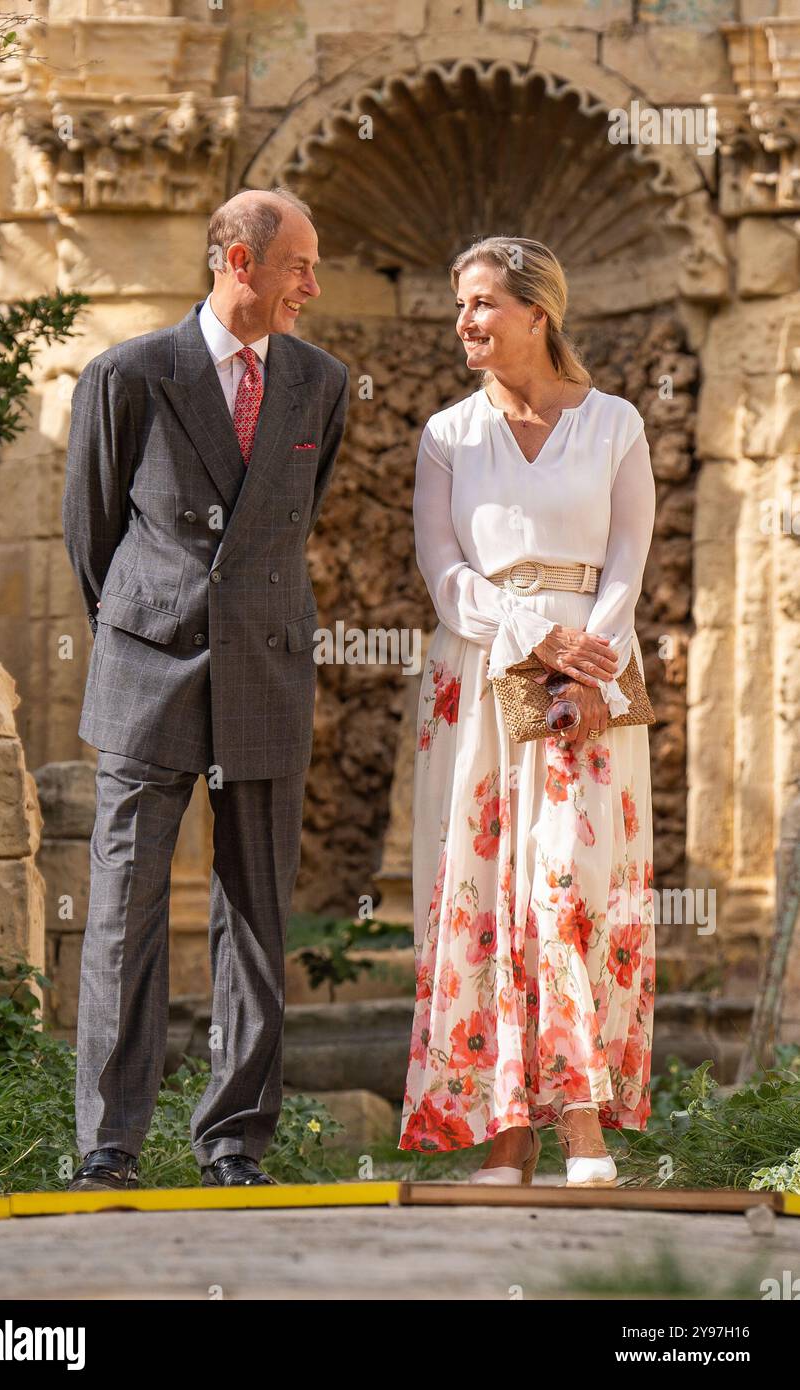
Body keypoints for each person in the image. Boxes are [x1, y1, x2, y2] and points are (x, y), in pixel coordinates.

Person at [61, 188, 349, 1189]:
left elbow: (285, 524)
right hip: (148, 673)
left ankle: (234, 1144)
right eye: (297, 267)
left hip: (266, 668)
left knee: (256, 917)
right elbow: (91, 539)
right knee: (123, 910)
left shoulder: (321, 382)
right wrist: (152, 627)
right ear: (238, 261)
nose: (311, 287)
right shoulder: (128, 373)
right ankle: (109, 1145)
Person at [399, 237, 656, 1188]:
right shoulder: (447, 434)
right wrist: (533, 640)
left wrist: (589, 665)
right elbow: (442, 570)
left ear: (536, 312)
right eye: (460, 305)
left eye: (481, 304)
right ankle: (507, 1141)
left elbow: (629, 557)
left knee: (568, 885)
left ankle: (583, 1129)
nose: (465, 321)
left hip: (596, 670)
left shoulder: (616, 423)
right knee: (486, 888)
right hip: (480, 672)